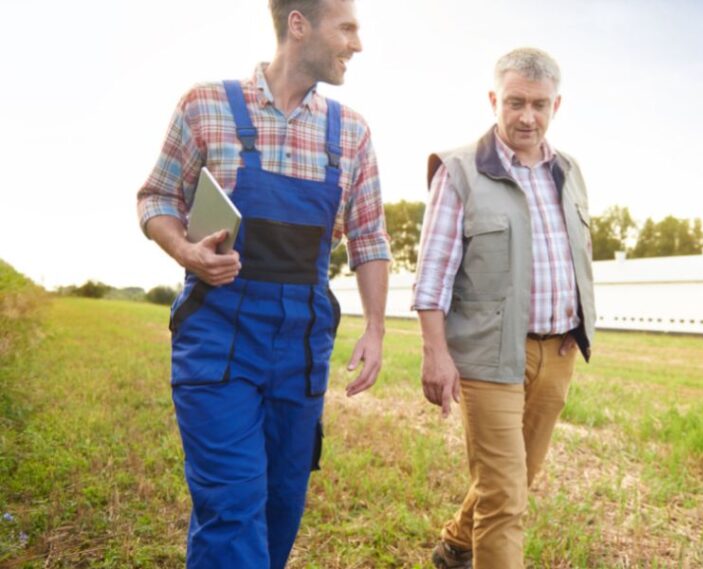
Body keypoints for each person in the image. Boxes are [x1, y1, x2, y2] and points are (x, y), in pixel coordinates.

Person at [135, 1, 390, 566]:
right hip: (217, 334)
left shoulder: (350, 133)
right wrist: (185, 250)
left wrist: (375, 328)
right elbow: (155, 198)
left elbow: (369, 237)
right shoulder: (206, 105)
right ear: (299, 24)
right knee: (233, 503)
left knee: (280, 502)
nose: (358, 43)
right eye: (347, 28)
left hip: (299, 345)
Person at [413, 47, 596, 569]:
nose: (527, 117)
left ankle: (454, 546)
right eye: (515, 102)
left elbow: (578, 255)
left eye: (539, 104)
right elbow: (432, 277)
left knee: (518, 476)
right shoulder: (460, 172)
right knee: (505, 496)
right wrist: (435, 354)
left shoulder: (570, 171)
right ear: (494, 100)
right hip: (489, 356)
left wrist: (576, 319)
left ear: (555, 106)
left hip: (555, 352)